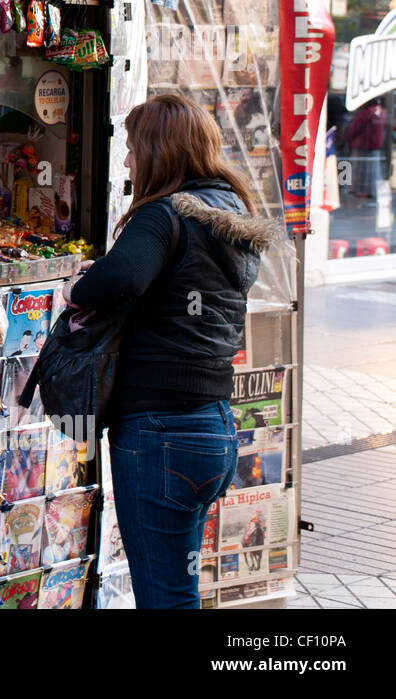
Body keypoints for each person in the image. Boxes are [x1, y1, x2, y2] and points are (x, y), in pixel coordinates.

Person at [62, 93, 279, 609]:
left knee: (165, 598)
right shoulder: (229, 214)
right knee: (179, 591)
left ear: (159, 152)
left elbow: (117, 283)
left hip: (162, 433)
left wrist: (77, 288)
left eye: (134, 148)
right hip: (214, 428)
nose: (127, 160)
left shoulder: (164, 216)